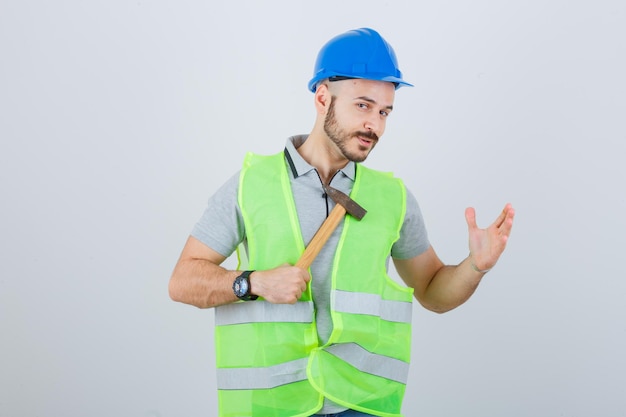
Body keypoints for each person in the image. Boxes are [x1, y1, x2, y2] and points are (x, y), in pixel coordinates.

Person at [169, 27, 515, 417]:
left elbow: (432, 291)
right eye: (363, 106)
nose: (376, 126)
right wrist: (254, 281)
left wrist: (475, 266)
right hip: (272, 404)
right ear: (322, 97)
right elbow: (182, 281)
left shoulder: (392, 198)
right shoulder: (251, 184)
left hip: (360, 404)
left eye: (385, 112)